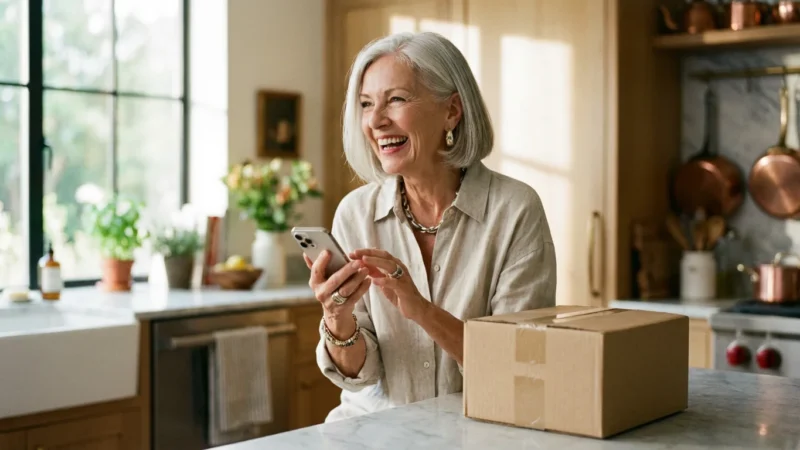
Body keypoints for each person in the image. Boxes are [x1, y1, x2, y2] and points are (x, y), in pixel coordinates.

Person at [305, 31, 556, 422]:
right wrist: (336, 317)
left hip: (477, 432)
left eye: (396, 100)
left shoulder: (514, 210)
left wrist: (420, 309)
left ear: (452, 110)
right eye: (366, 104)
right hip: (370, 432)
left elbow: (516, 366)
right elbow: (358, 377)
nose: (374, 120)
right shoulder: (354, 213)